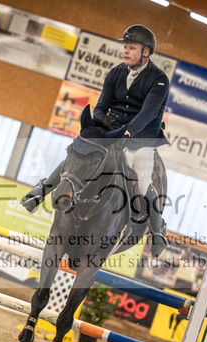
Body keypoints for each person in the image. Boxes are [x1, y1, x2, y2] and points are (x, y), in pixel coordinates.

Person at [22, 24, 169, 258]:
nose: (126, 50)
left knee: (141, 179)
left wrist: (128, 132)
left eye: (132, 47)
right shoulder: (115, 73)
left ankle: (157, 228)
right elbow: (101, 105)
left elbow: (148, 113)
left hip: (140, 138)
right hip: (111, 131)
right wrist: (98, 124)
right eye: (125, 46)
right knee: (80, 152)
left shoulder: (159, 80)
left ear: (146, 52)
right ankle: (41, 190)